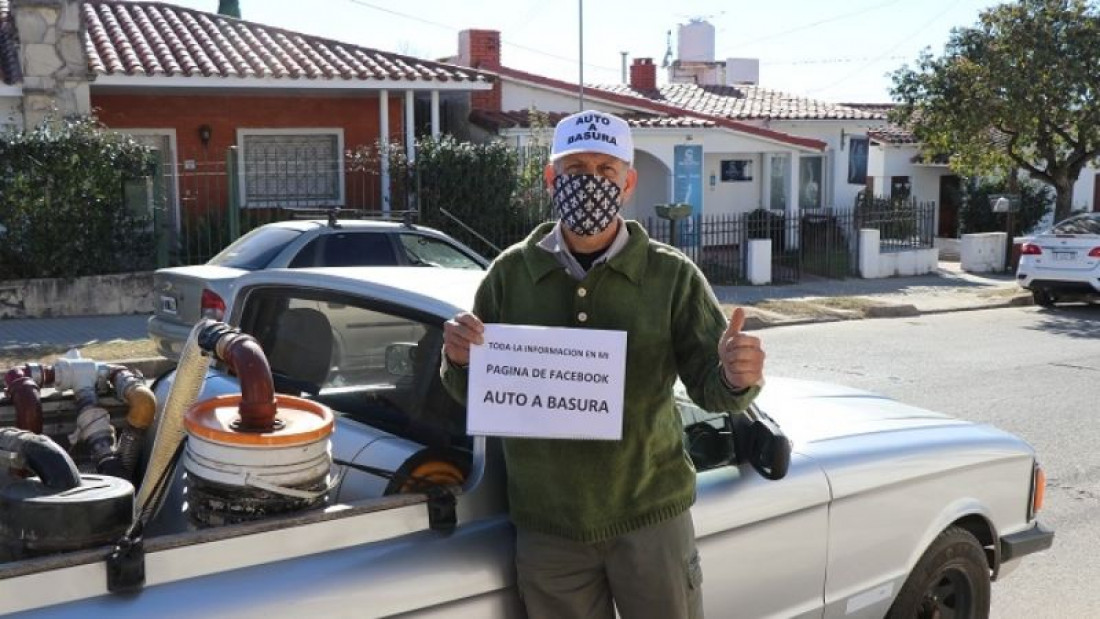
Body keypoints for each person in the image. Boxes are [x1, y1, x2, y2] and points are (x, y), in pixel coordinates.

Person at [440, 109, 765, 619]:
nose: (589, 182)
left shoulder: (671, 275)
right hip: (549, 530)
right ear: (551, 178)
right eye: (574, 169)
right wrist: (457, 359)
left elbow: (712, 388)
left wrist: (735, 374)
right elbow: (478, 392)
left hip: (650, 518)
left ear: (628, 182)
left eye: (605, 170)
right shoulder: (509, 274)